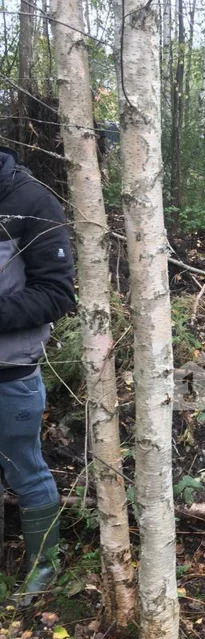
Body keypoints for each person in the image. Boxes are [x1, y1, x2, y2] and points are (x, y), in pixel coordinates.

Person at [0, 146, 75, 604]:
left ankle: (43, 570)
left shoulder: (30, 201)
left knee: (24, 468)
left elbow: (56, 293)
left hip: (11, 371)